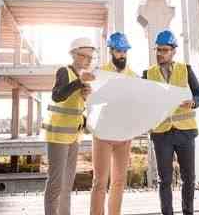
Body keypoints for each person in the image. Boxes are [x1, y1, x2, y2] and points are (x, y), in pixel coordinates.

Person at [143, 30, 199, 215]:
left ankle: (188, 212)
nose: (160, 53)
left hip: (185, 132)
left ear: (173, 51)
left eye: (164, 50)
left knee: (189, 178)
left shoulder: (186, 69)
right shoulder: (148, 74)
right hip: (161, 134)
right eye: (158, 50)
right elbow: (141, 100)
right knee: (165, 180)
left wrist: (193, 102)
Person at [43, 37, 96, 215]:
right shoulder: (64, 71)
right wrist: (79, 83)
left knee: (67, 183)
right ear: (74, 54)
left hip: (74, 136)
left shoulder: (82, 79)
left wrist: (85, 95)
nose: (88, 60)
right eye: (85, 56)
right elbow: (57, 96)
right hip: (58, 136)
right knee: (56, 183)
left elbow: (76, 108)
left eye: (91, 57)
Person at [90, 32, 136, 215]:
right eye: (118, 51)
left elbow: (136, 104)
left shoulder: (133, 76)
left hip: (123, 136)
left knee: (118, 181)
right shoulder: (100, 74)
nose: (122, 54)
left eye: (125, 51)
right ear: (111, 51)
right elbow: (91, 102)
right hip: (103, 135)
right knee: (99, 181)